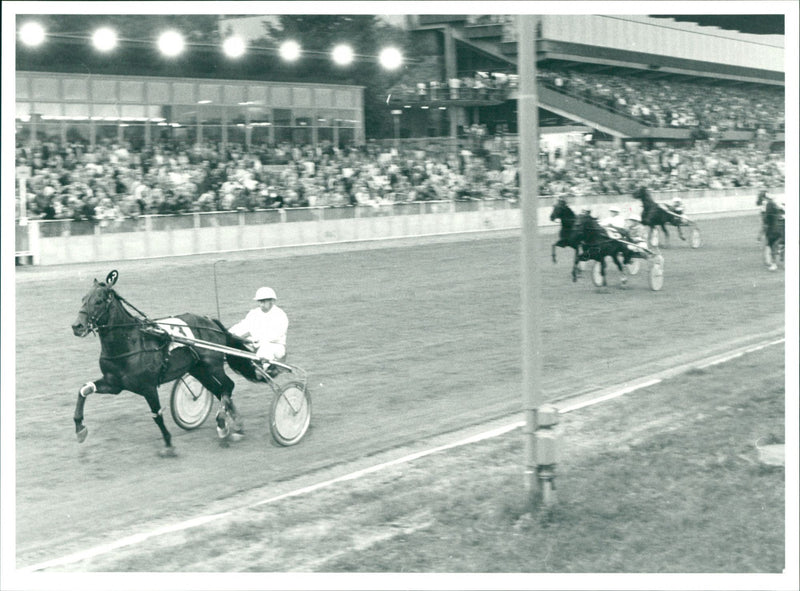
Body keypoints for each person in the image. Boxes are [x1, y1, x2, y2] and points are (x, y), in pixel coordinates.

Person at [229, 287, 289, 371]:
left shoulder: (280, 315)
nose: (261, 305)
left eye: (264, 302)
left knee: (265, 349)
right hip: (256, 345)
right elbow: (243, 325)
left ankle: (264, 369)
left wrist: (258, 340)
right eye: (260, 302)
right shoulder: (254, 313)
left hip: (275, 346)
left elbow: (277, 334)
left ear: (272, 301)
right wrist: (228, 333)